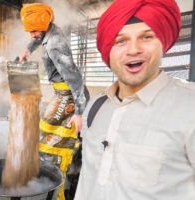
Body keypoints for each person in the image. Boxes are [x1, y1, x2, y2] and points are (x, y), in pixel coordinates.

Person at [74, 0, 195, 199]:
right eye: (121, 41)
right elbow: (88, 182)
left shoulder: (190, 107)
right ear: (109, 51)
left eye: (146, 37)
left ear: (162, 44)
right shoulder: (95, 106)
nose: (133, 50)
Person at [20, 3, 88, 200]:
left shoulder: (56, 45)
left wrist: (78, 112)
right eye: (29, 31)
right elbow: (38, 37)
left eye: (34, 30)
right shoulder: (47, 29)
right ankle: (50, 175)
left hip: (69, 96)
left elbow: (75, 79)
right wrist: (27, 50)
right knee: (44, 132)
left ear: (44, 24)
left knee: (49, 145)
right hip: (61, 94)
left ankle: (56, 189)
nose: (32, 34)